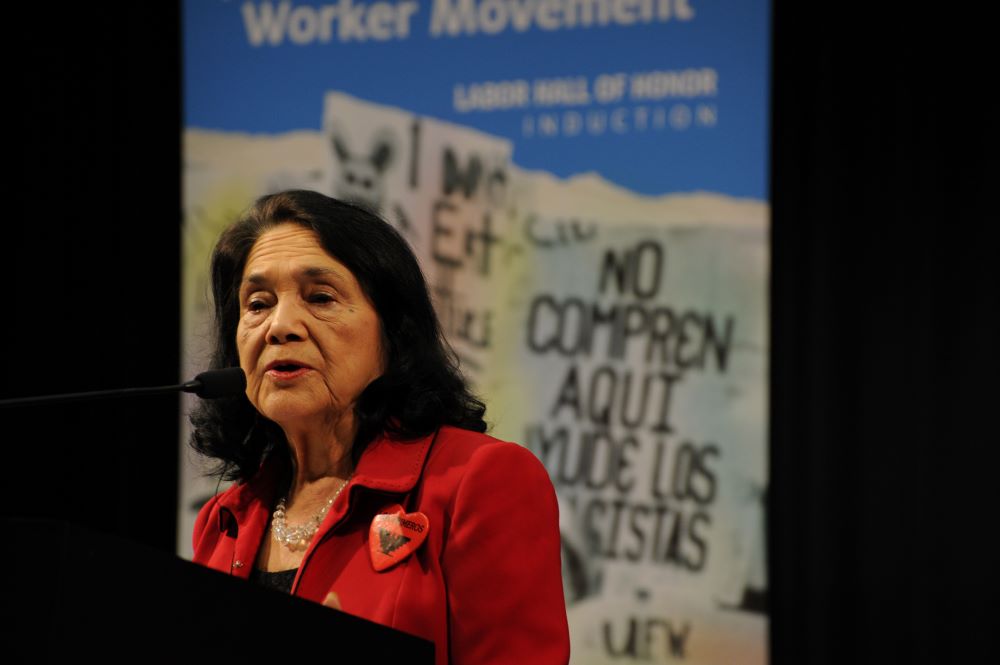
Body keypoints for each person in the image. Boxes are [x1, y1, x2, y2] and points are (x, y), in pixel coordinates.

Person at [189, 190, 569, 664]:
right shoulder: (224, 521)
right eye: (258, 303)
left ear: (393, 333)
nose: (280, 326)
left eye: (321, 297)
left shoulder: (480, 481)